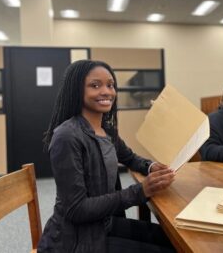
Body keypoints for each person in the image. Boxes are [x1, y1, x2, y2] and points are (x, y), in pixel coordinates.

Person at [37, 60, 175, 253]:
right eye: (95, 85)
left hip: (102, 223)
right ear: (77, 90)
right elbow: (76, 209)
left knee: (172, 240)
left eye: (110, 85)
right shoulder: (67, 136)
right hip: (75, 241)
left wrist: (151, 167)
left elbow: (130, 158)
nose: (106, 92)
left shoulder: (106, 131)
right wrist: (140, 190)